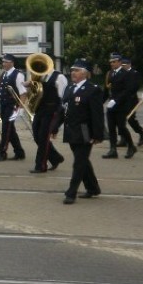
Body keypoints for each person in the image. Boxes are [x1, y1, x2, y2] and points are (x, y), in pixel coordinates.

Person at [61, 59, 104, 204]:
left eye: (77, 70)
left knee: (79, 162)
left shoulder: (93, 90)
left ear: (86, 74)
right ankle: (93, 188)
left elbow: (97, 114)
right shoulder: (69, 88)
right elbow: (63, 110)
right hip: (71, 130)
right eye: (72, 70)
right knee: (82, 160)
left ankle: (71, 192)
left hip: (85, 131)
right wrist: (54, 127)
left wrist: (98, 135)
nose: (73, 73)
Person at [30, 56, 67, 173]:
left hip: (52, 110)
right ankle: (56, 158)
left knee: (43, 137)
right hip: (40, 109)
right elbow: (35, 92)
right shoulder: (39, 76)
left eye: (42, 65)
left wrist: (59, 119)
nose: (40, 67)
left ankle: (41, 165)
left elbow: (63, 98)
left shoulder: (59, 77)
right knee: (36, 136)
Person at [0, 53, 27, 162]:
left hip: (12, 106)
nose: (4, 64)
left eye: (6, 62)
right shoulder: (4, 74)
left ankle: (2, 152)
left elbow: (23, 93)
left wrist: (20, 108)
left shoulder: (18, 75)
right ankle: (19, 152)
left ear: (12, 63)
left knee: (6, 129)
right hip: (4, 105)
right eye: (3, 62)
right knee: (10, 130)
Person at [103, 52, 137, 159]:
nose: (112, 64)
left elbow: (127, 90)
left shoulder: (126, 74)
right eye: (111, 62)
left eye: (114, 62)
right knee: (111, 127)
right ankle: (113, 149)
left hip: (122, 106)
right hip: (111, 105)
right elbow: (106, 90)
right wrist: (100, 102)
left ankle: (131, 146)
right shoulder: (110, 74)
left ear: (119, 62)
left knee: (121, 127)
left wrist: (116, 101)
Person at [118, 57, 143, 147]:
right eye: (122, 65)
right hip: (121, 100)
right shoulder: (120, 73)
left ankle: (142, 134)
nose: (123, 67)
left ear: (129, 64)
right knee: (120, 119)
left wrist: (125, 91)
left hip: (131, 100)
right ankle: (123, 139)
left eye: (125, 65)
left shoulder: (134, 73)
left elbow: (135, 86)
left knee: (131, 119)